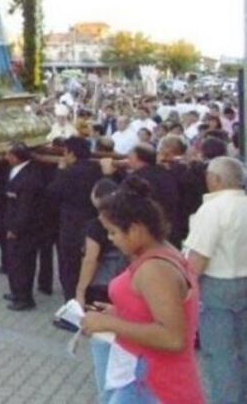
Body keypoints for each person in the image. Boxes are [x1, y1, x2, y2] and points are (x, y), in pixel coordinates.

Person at [81, 177, 205, 404]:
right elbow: (155, 310)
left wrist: (109, 323)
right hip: (145, 378)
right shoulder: (161, 253)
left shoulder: (154, 269)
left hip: (155, 384)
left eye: (113, 232)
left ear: (136, 229)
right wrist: (120, 312)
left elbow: (173, 337)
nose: (110, 239)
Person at [184, 156, 247, 404]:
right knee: (242, 351)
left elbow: (198, 257)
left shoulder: (212, 209)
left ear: (217, 179)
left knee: (220, 355)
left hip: (218, 286)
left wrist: (187, 287)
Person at [48, 136, 103, 305]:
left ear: (70, 153)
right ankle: (87, 301)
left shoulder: (69, 172)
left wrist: (60, 170)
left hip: (71, 225)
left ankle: (72, 305)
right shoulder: (96, 169)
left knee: (69, 267)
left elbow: (52, 193)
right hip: (94, 223)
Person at [2, 143, 47, 311]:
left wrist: (15, 229)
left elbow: (25, 208)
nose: (6, 157)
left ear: (16, 157)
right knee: (14, 261)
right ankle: (16, 291)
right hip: (13, 221)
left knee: (23, 262)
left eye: (8, 154)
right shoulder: (16, 170)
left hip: (25, 228)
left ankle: (25, 298)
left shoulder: (30, 177)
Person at [74, 179, 128, 307]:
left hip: (102, 282)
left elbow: (91, 259)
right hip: (125, 279)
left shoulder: (95, 226)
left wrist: (80, 290)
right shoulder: (128, 219)